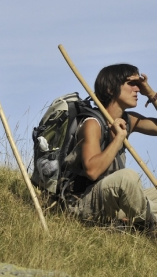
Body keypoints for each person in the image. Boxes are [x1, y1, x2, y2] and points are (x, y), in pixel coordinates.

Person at [65, 64, 157, 229]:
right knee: (127, 178)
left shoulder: (130, 120)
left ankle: (134, 221)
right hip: (83, 202)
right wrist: (118, 140)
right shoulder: (92, 123)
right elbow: (92, 171)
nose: (137, 89)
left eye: (139, 84)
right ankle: (148, 226)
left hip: (112, 200)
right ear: (110, 89)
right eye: (131, 83)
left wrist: (150, 93)